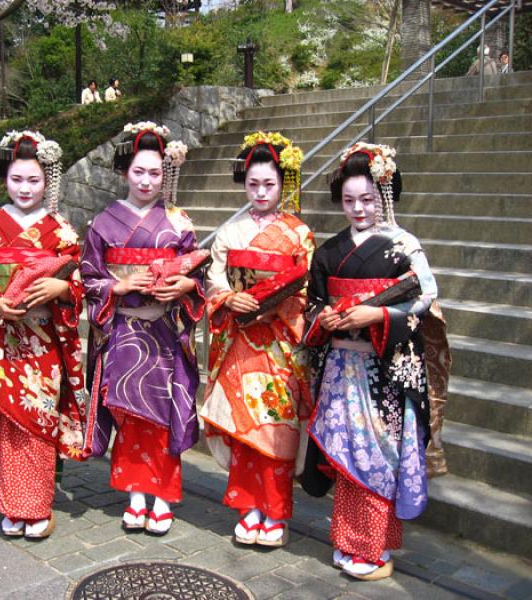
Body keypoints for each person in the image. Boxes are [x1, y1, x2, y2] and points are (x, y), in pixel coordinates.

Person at [301, 142, 449, 580]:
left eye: (367, 199)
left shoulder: (405, 245)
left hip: (384, 370)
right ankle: (349, 540)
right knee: (347, 456)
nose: (358, 209)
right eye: (349, 201)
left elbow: (425, 297)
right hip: (340, 367)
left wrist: (379, 314)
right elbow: (311, 304)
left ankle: (373, 546)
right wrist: (322, 317)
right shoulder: (329, 251)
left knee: (378, 457)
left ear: (385, 195)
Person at [0, 130, 87, 540]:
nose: (25, 188)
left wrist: (61, 289)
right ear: (5, 179)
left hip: (43, 340)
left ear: (46, 181)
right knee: (7, 422)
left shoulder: (61, 229)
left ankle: (37, 507)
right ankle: (12, 506)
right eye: (17, 179)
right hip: (2, 339)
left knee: (38, 420)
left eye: (34, 180)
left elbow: (81, 281)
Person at [81, 121, 203, 536]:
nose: (147, 181)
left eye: (154, 173)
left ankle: (164, 497)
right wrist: (119, 285)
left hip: (165, 331)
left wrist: (186, 285)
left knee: (164, 415)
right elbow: (88, 275)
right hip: (124, 332)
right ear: (124, 172)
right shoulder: (103, 222)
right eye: (139, 172)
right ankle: (135, 496)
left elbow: (197, 277)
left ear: (164, 174)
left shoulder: (178, 222)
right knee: (129, 416)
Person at [200, 131, 314, 548]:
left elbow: (304, 290)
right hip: (240, 341)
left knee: (276, 430)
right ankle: (248, 509)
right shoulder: (231, 232)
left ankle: (276, 513)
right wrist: (232, 298)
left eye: (269, 184)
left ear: (283, 183)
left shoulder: (298, 233)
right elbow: (212, 282)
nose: (261, 192)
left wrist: (274, 307)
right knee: (243, 429)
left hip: (280, 345)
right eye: (253, 184)